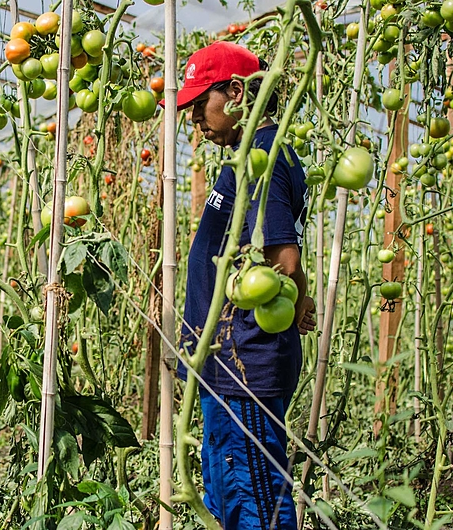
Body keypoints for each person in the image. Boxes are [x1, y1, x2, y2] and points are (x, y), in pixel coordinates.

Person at [171, 42, 317, 529]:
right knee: (232, 498)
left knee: (254, 502)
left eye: (198, 105)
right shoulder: (248, 157)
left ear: (236, 92)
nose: (194, 119)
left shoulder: (262, 157)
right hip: (230, 363)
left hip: (243, 364)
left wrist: (293, 283)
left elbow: (283, 258)